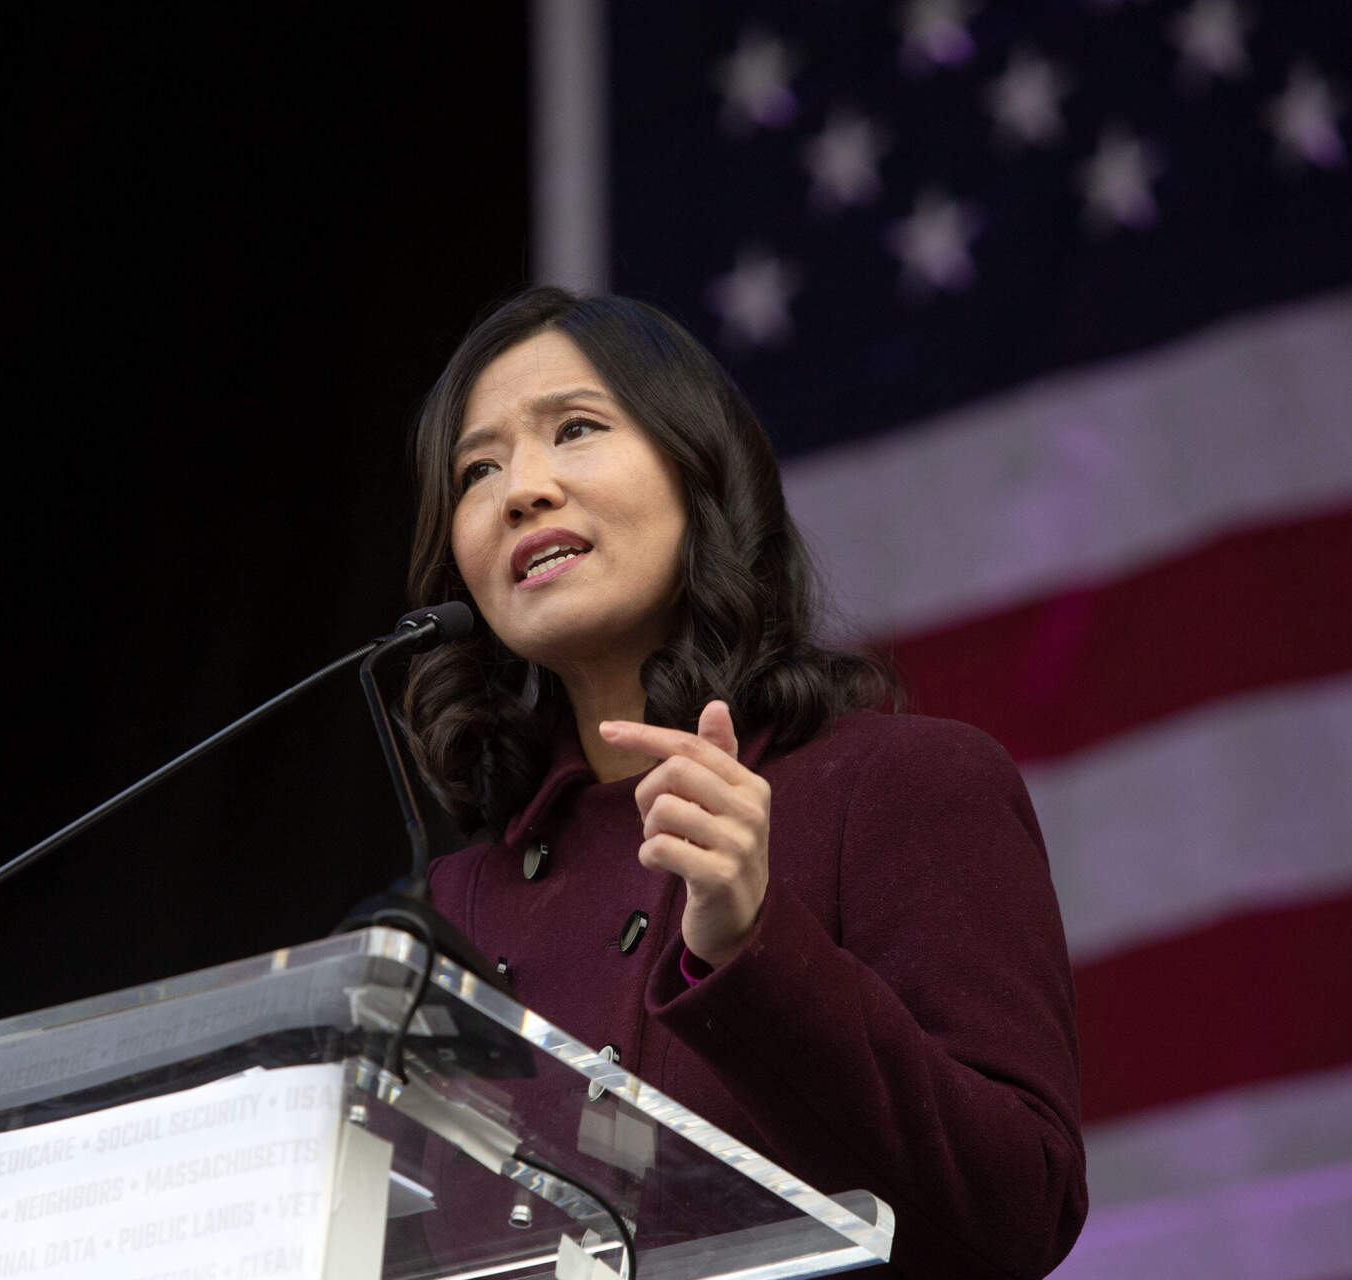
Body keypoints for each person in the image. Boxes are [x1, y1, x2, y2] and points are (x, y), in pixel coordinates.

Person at [400, 287, 1086, 1279]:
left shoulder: (905, 784)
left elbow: (1023, 1204)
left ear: (699, 470)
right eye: (477, 469)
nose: (522, 489)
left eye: (577, 428)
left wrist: (755, 949)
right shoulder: (448, 911)